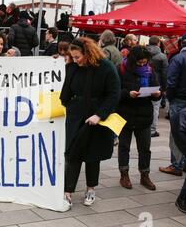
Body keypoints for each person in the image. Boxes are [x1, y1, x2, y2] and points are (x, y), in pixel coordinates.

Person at [60, 37, 121, 210]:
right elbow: (66, 91)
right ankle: (67, 192)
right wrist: (67, 104)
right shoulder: (72, 67)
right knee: (72, 154)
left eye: (78, 56)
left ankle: (90, 189)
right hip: (76, 116)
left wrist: (99, 115)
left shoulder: (106, 67)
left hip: (97, 118)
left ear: (88, 52)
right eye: (73, 57)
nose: (76, 60)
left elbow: (114, 93)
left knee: (93, 156)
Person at [117, 46, 161, 190]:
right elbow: (114, 92)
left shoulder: (150, 70)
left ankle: (145, 175)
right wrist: (127, 93)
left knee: (145, 148)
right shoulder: (121, 69)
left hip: (144, 114)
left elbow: (156, 88)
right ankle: (124, 175)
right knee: (124, 147)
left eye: (144, 62)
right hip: (125, 114)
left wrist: (157, 94)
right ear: (132, 60)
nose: (142, 65)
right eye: (139, 62)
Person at [160, 32, 186, 176]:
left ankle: (177, 165)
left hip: (180, 100)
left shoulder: (178, 58)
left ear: (182, 43)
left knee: (176, 133)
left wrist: (170, 98)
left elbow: (171, 82)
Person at [147, 36, 169, 138]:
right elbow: (165, 74)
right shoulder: (162, 56)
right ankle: (152, 130)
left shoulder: (143, 53)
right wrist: (164, 88)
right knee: (155, 108)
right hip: (157, 85)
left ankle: (143, 127)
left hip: (143, 83)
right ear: (158, 43)